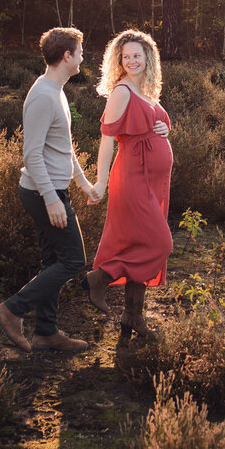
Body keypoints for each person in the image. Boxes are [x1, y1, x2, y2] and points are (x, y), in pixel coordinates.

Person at [0, 27, 98, 353]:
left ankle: (46, 333)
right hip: (41, 193)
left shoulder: (57, 91)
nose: (82, 57)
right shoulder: (42, 95)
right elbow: (31, 154)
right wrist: (52, 199)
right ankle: (11, 310)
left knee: (53, 261)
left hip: (51, 191)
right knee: (73, 260)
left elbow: (63, 148)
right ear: (67, 55)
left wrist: (83, 183)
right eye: (80, 52)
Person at [82, 29, 173, 342]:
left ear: (148, 58)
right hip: (133, 178)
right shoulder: (122, 91)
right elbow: (108, 140)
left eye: (138, 55)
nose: (132, 61)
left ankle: (132, 316)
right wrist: (101, 181)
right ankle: (99, 278)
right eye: (126, 56)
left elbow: (153, 126)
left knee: (142, 246)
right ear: (119, 61)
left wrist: (163, 128)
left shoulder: (146, 89)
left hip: (153, 180)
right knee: (161, 244)